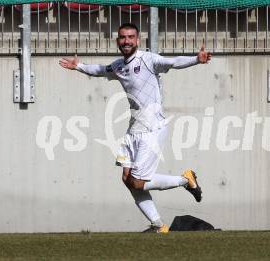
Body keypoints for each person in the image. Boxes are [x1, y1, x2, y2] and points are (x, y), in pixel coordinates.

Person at [60, 23, 212, 233]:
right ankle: (159, 225)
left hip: (152, 128)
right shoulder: (119, 66)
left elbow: (173, 62)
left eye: (131, 37)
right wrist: (79, 66)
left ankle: (185, 180)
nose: (126, 41)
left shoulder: (148, 59)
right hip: (134, 128)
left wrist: (196, 59)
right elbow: (100, 70)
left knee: (138, 183)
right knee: (126, 179)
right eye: (123, 37)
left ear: (138, 40)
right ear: (118, 41)